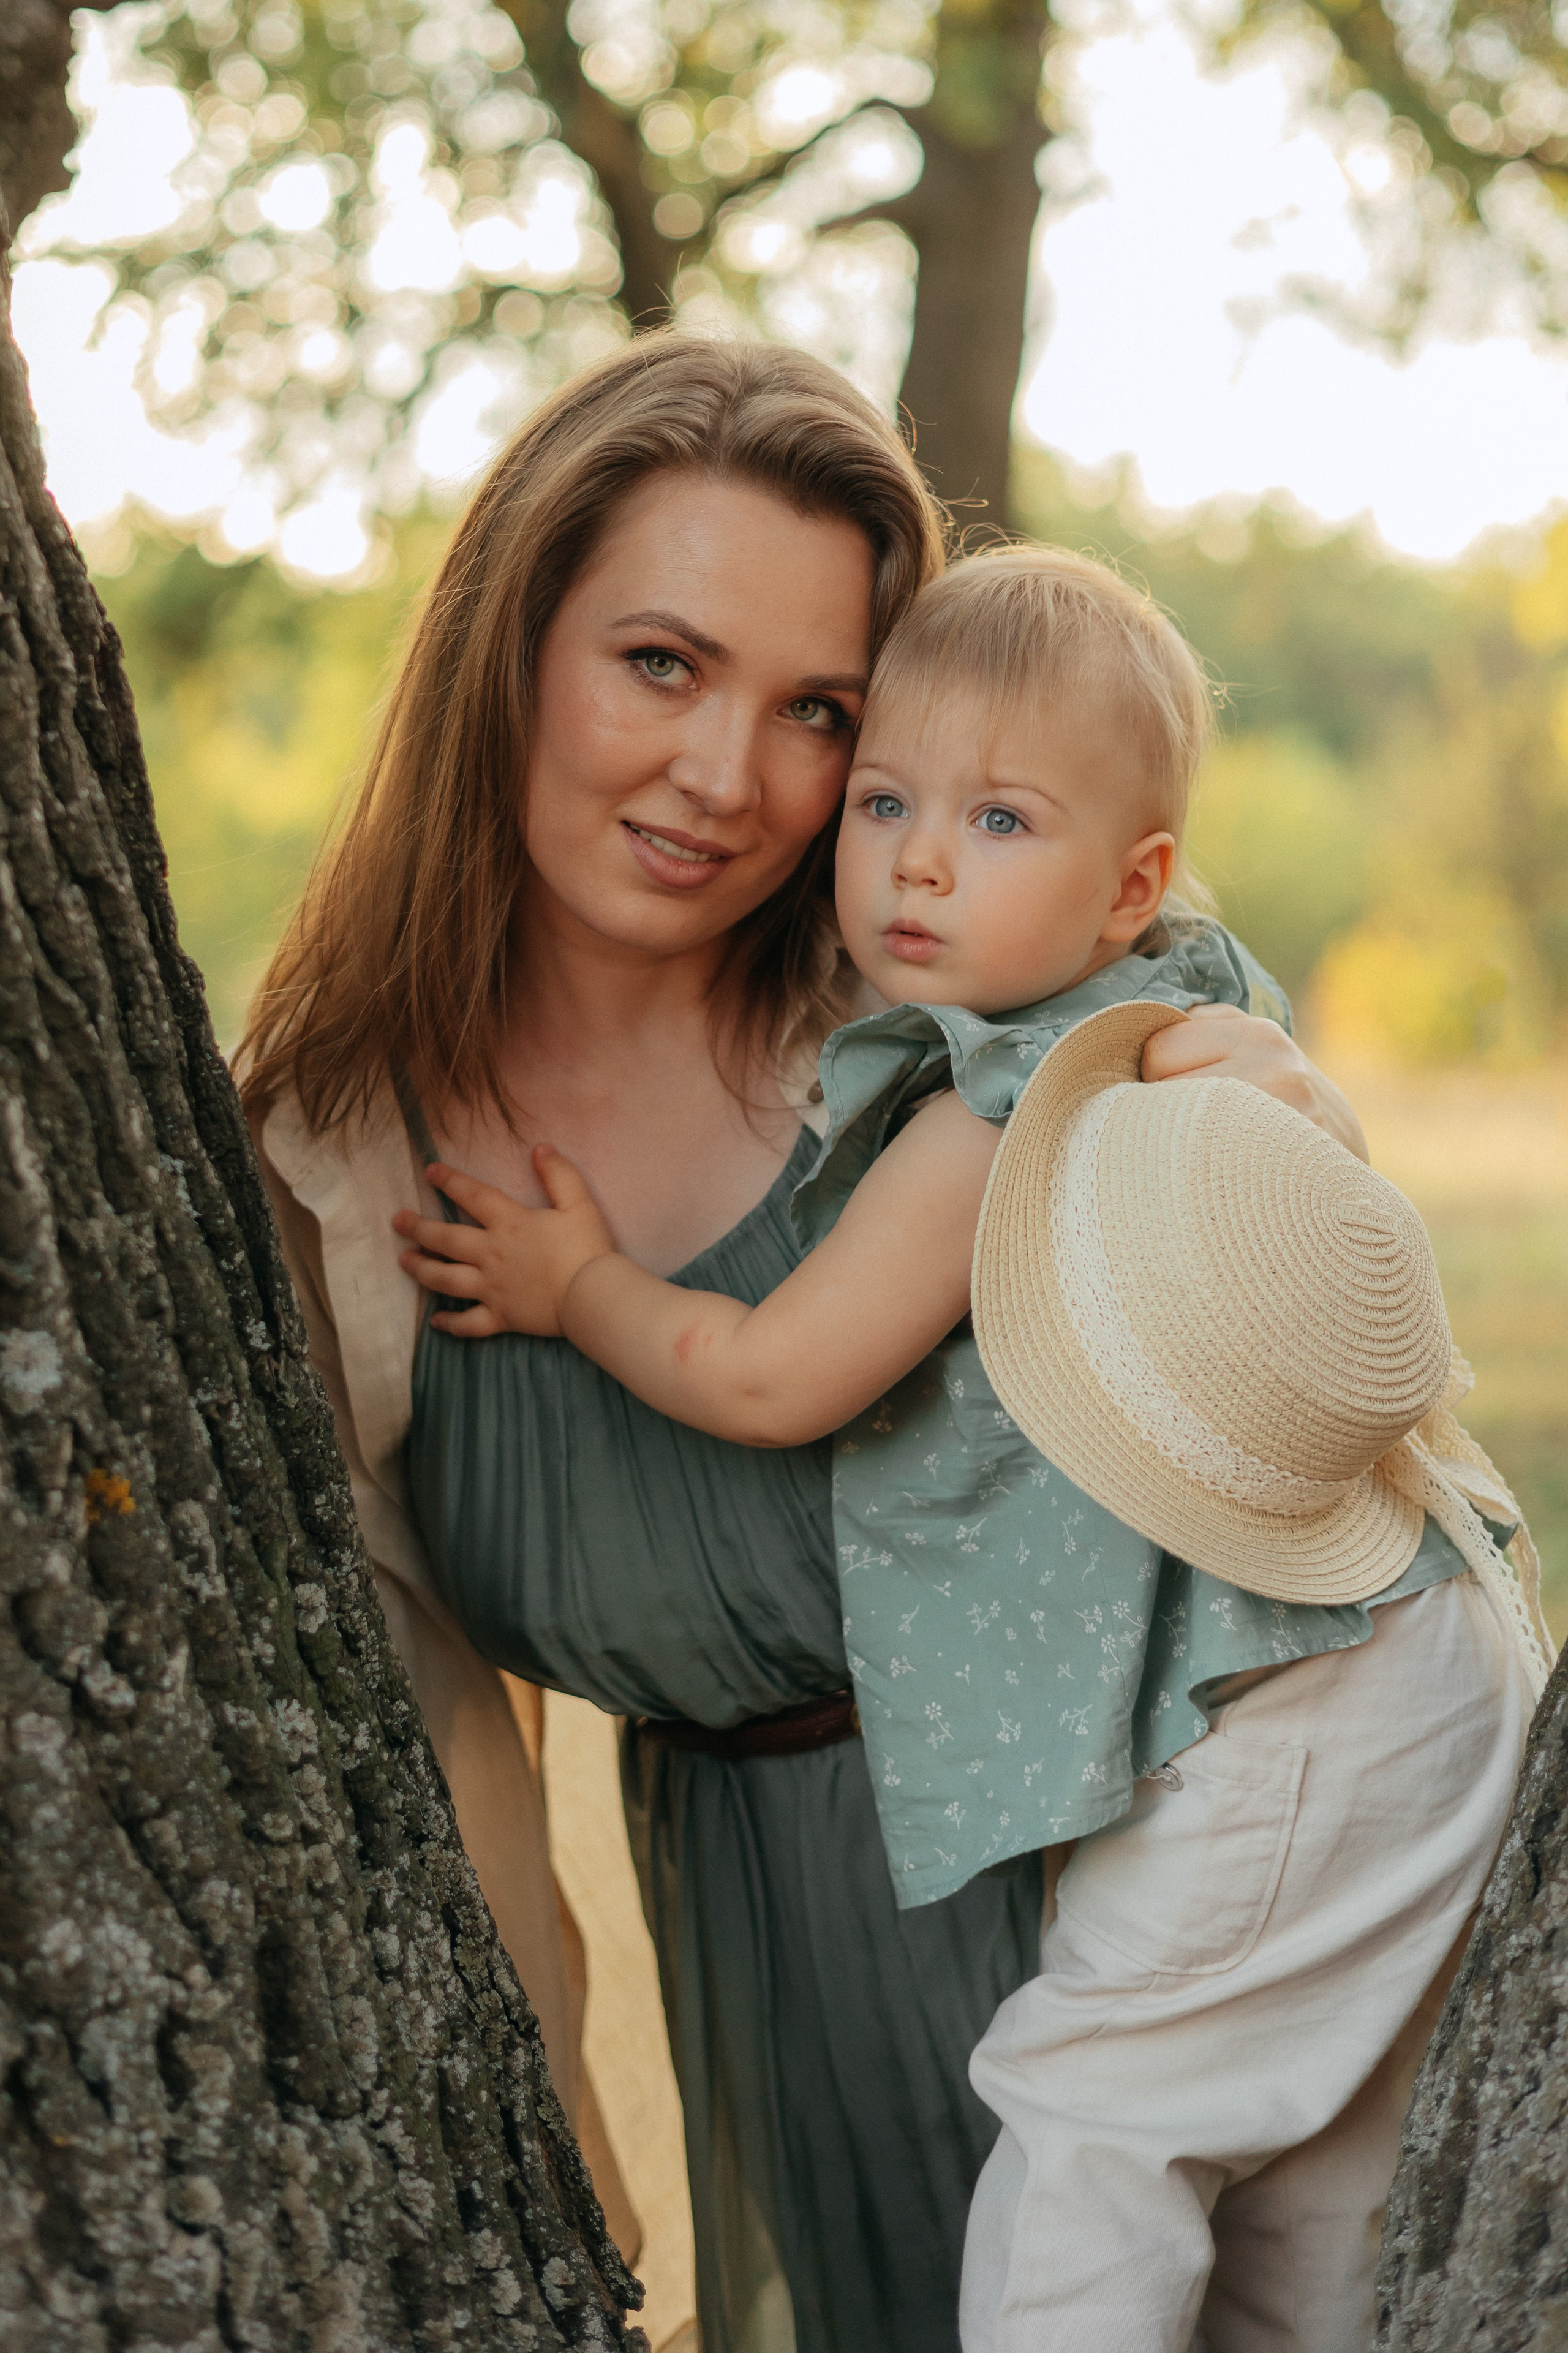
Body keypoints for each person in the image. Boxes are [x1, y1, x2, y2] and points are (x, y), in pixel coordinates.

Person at [241, 342, 1375, 2353]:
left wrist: (1275, 1109)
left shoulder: (946, 1006)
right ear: (508, 649)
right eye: (660, 664)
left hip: (1158, 1907)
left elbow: (1306, 1328)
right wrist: (561, 2222)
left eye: (817, 713)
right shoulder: (333, 1165)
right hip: (779, 1979)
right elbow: (439, 1750)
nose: (725, 776)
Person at [396, 545, 1549, 2353]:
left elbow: (770, 1375)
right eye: (884, 803)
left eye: (1000, 819)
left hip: (1294, 1707)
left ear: (1132, 882)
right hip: (1413, 1649)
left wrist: (577, 1283)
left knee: (1091, 2110)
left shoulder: (1006, 1101)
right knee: (1308, 2171)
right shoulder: (1190, 999)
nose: (918, 862)